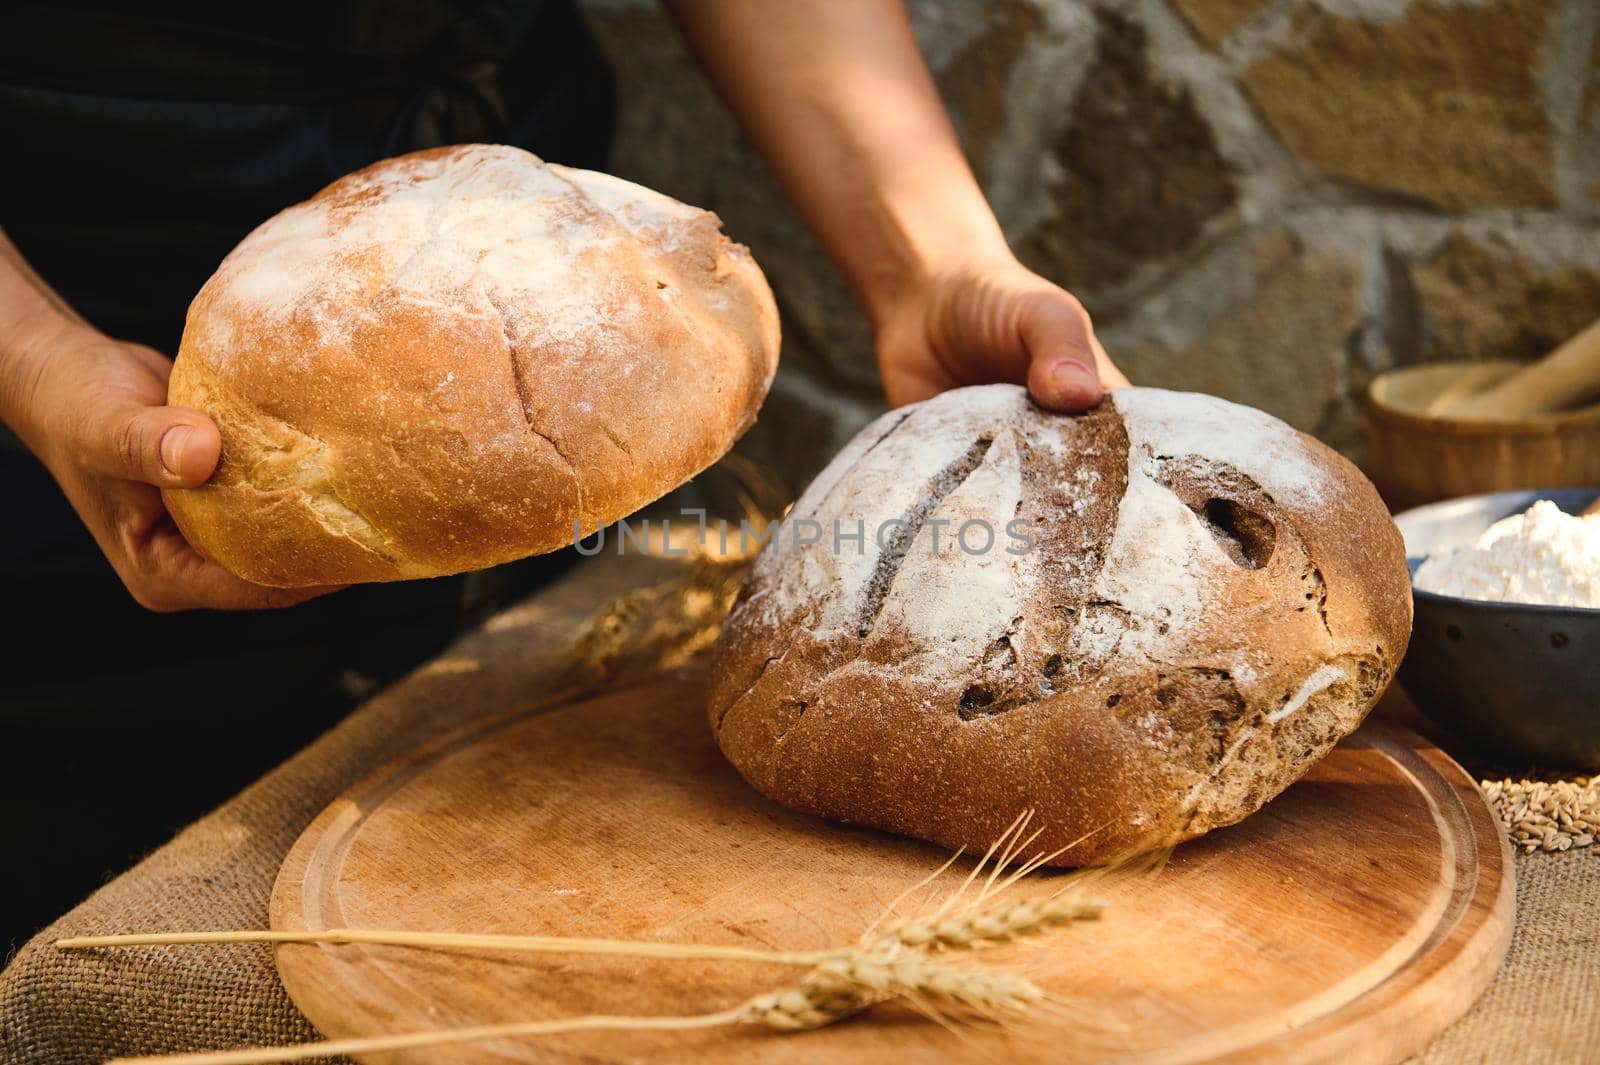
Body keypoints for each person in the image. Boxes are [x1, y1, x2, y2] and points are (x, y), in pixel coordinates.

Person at [0, 0, 1126, 950]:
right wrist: (38, 365)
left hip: (563, 298)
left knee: (548, 868)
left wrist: (925, 259)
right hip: (94, 361)